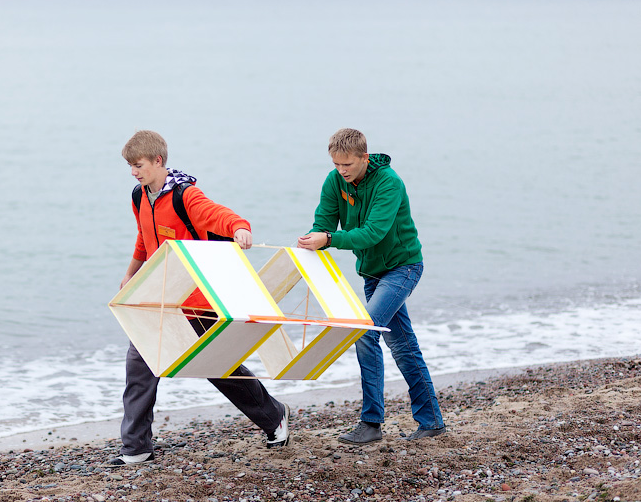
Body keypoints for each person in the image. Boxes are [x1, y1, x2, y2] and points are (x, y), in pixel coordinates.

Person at [108, 130, 290, 466]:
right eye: (131, 166)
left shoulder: (184, 196)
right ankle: (136, 447)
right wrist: (131, 273)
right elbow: (143, 237)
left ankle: (274, 415)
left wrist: (239, 226)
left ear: (158, 161)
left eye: (139, 165)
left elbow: (215, 214)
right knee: (141, 364)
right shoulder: (140, 195)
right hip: (160, 296)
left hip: (198, 298)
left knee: (219, 366)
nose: (134, 171)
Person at [297, 128, 445, 444]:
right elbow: (324, 222)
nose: (341, 171)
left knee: (364, 331)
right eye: (336, 165)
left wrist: (330, 240)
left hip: (403, 266)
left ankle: (371, 423)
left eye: (347, 164)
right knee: (403, 346)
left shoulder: (389, 183)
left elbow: (372, 233)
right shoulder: (335, 180)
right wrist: (314, 239)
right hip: (372, 272)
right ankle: (431, 422)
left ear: (364, 157)